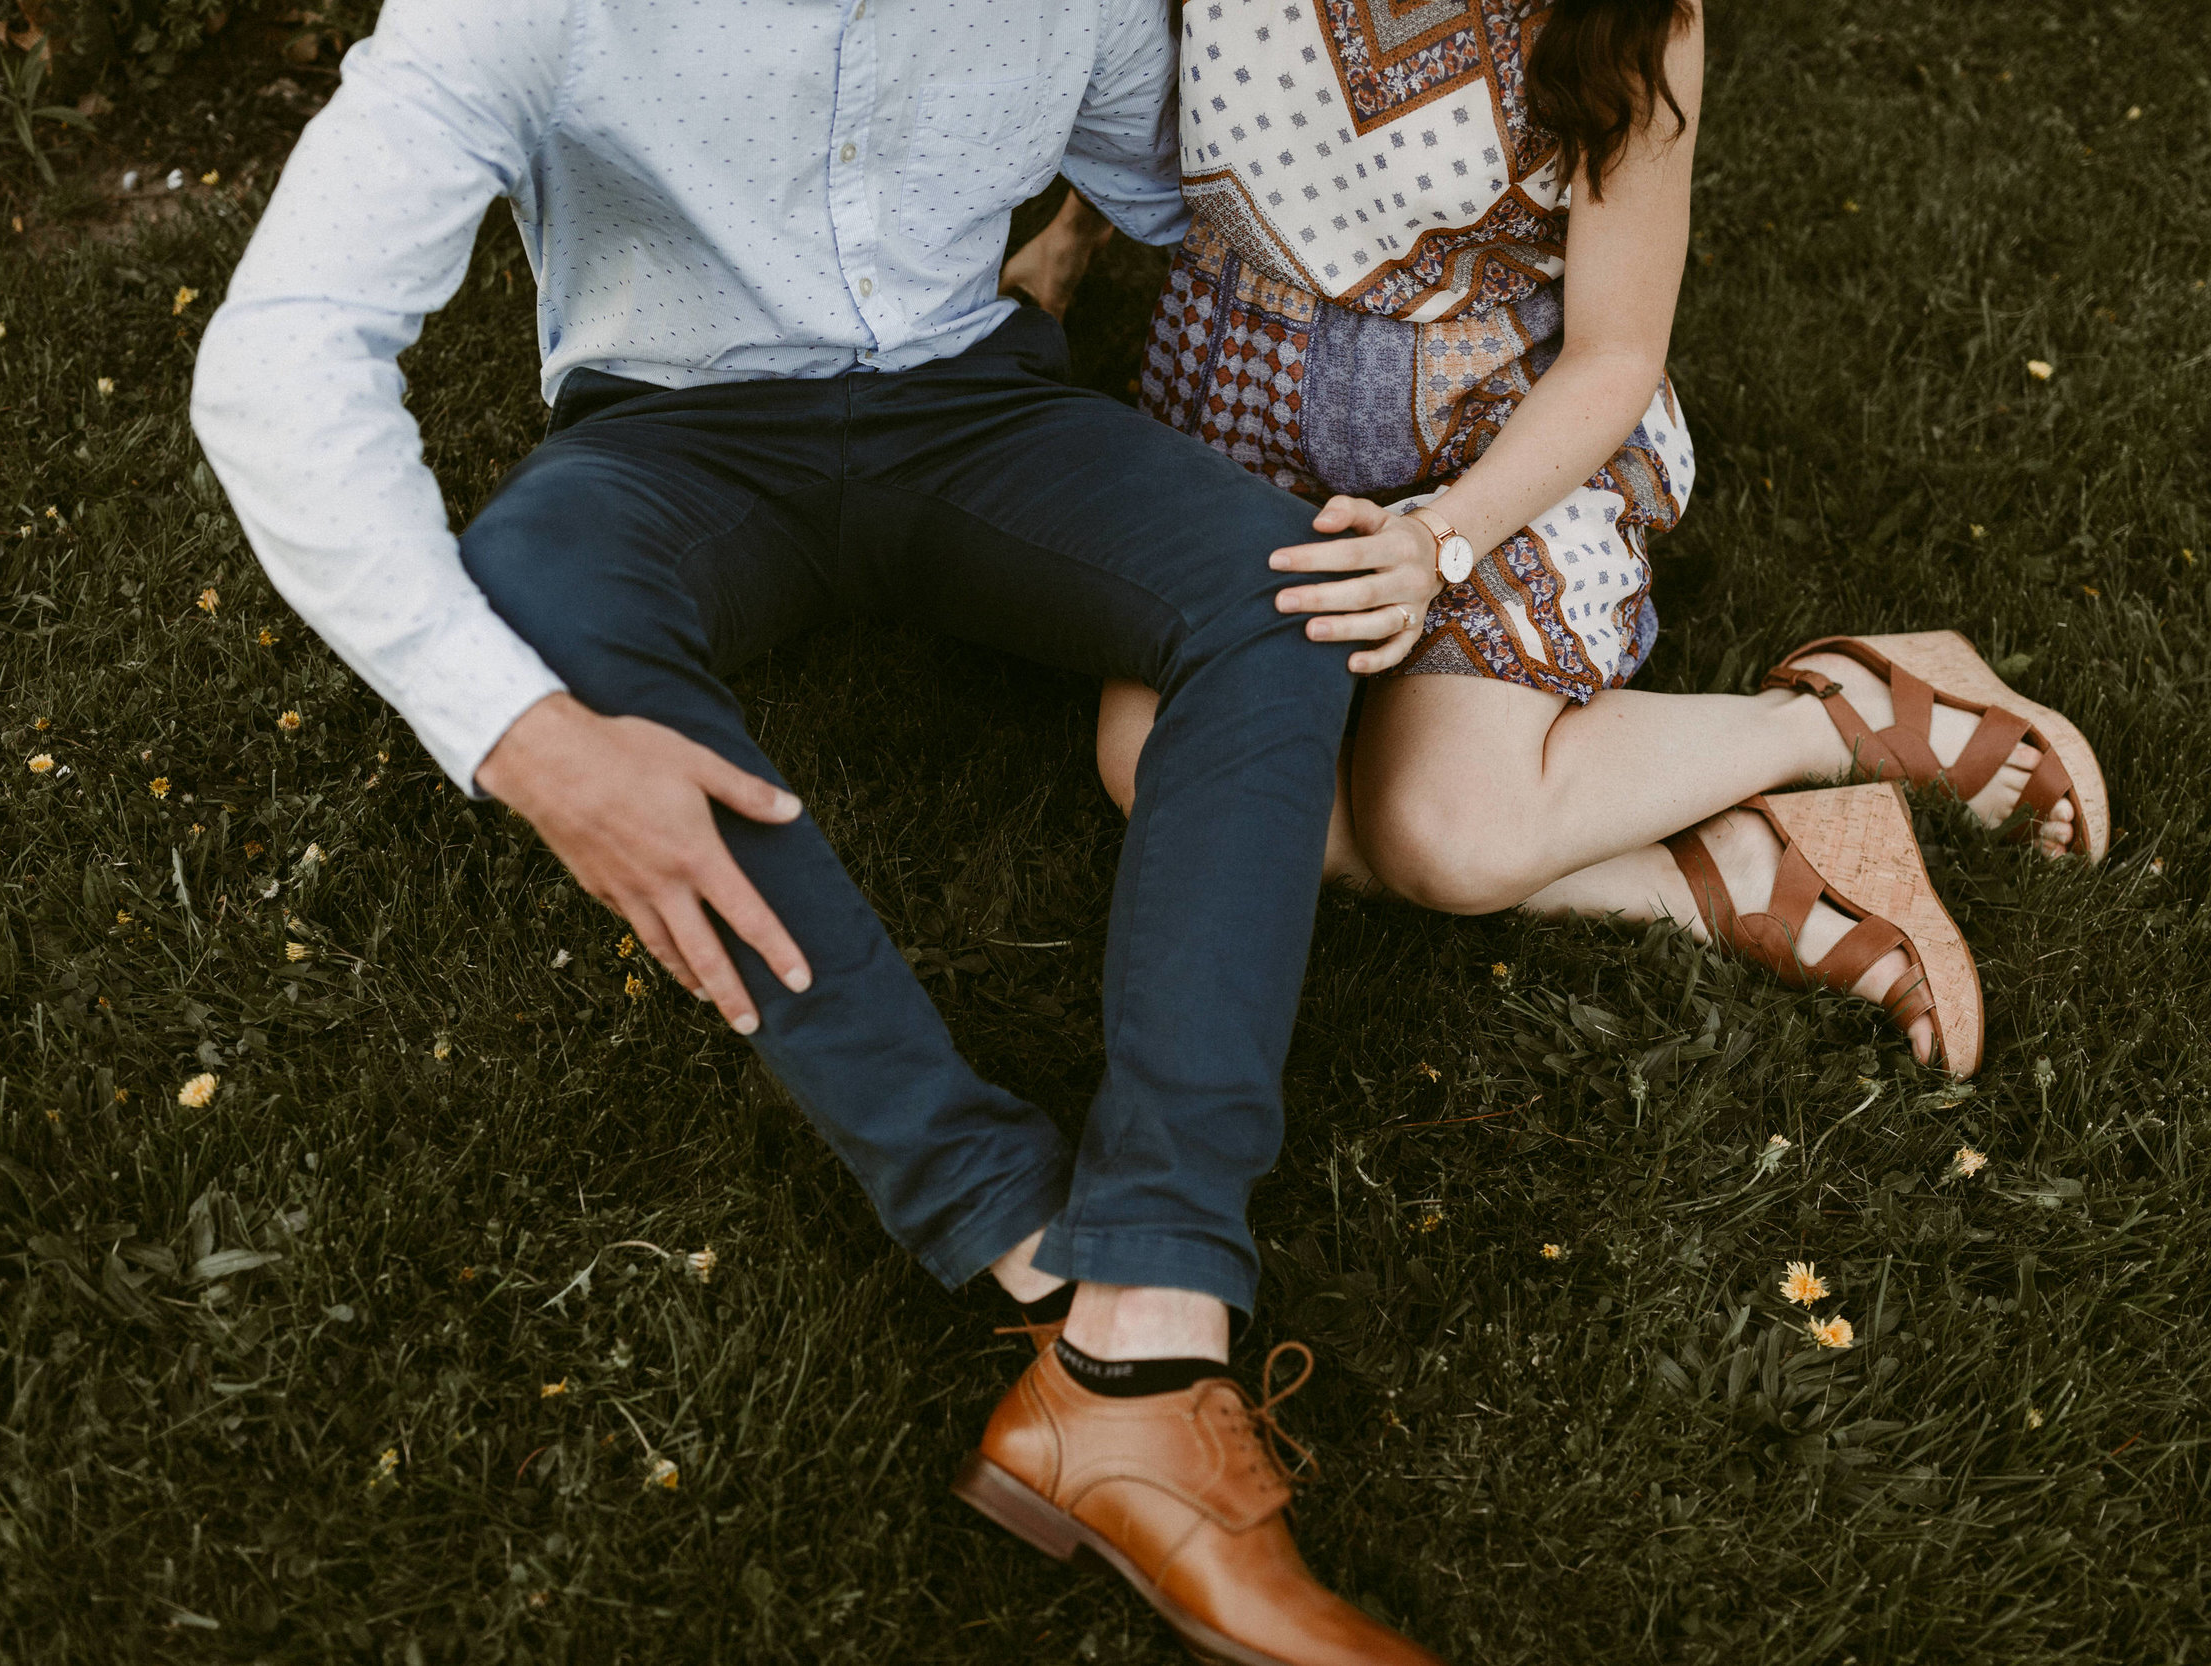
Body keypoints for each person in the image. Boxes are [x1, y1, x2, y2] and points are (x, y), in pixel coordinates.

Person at [191, 2, 1448, 1660]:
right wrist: (533, 745)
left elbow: (1201, 188)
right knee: (534, 596)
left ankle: (1147, 1318)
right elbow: (277, 354)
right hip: (670, 444)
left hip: (974, 410)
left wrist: (1532, 400)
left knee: (1276, 591)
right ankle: (1011, 1219)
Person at [1013, 0, 2107, 1078]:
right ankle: (1729, 863)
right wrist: (1067, 242)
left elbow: (1614, 355)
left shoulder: (1629, 20)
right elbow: (1126, 63)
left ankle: (1831, 717)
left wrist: (1439, 540)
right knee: (1158, 766)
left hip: (1493, 444)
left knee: (1447, 836)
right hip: (1243, 418)